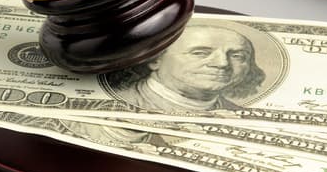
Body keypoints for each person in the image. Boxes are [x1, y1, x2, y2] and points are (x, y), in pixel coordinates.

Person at [107, 24, 266, 112]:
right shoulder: (114, 108)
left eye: (237, 56)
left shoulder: (240, 114)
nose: (222, 63)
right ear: (155, 59)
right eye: (200, 53)